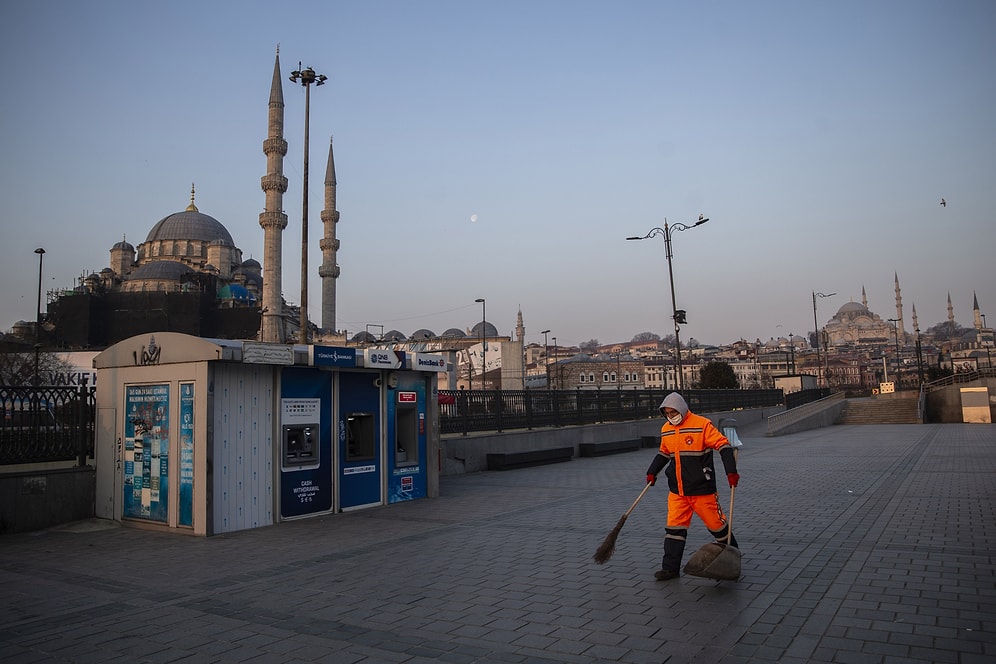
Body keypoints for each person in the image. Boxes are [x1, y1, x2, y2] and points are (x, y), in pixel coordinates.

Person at [645, 392, 739, 581]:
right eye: (667, 414)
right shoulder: (667, 429)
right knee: (674, 530)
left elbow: (723, 445)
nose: (671, 416)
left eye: (673, 412)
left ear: (682, 409)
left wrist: (731, 471)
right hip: (678, 491)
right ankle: (670, 569)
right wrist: (652, 471)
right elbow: (664, 453)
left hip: (702, 489)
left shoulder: (701, 425)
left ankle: (733, 558)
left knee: (717, 526)